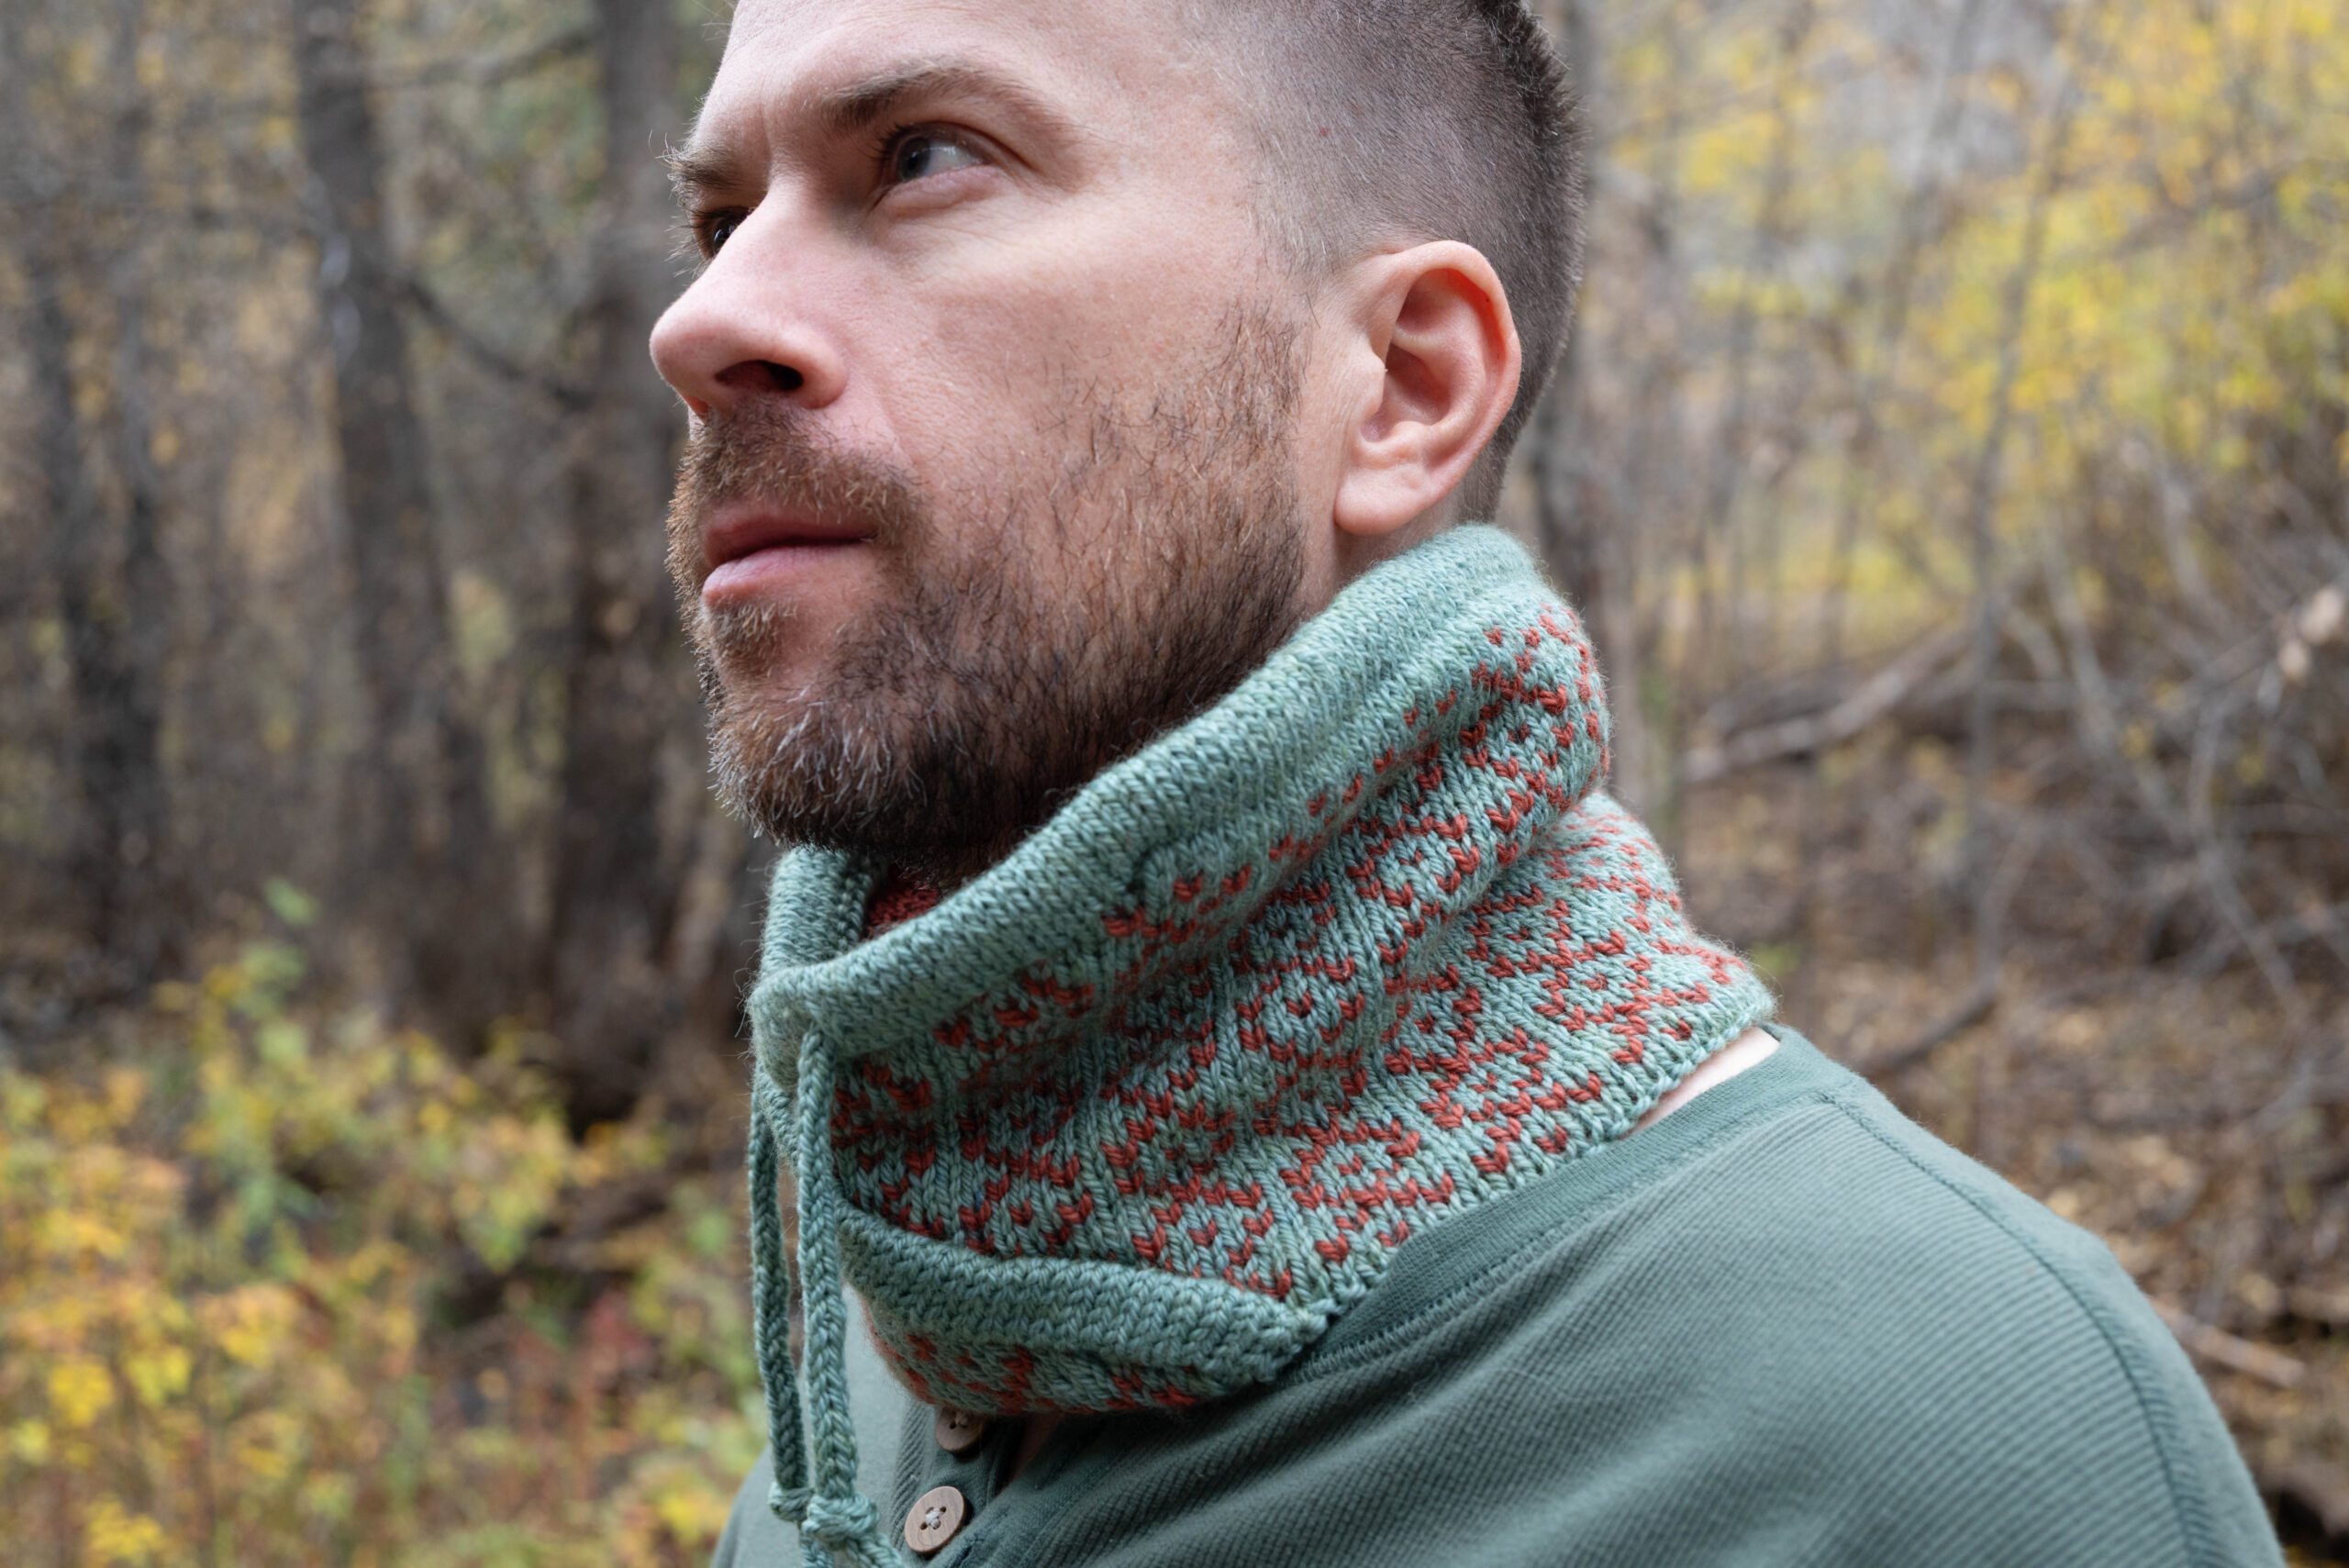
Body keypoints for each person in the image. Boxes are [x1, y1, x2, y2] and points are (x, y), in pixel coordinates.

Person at [647, 1, 2283, 1563]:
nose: (699, 322)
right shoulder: (859, 1399)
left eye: (924, 158)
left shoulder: (1958, 1438)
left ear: (1404, 386)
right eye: (722, 222)